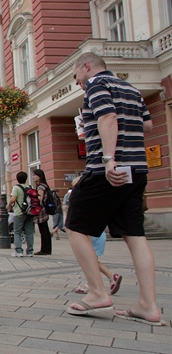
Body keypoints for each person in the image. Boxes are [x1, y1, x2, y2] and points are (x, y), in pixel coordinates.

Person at [66, 52, 164, 326]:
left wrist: (109, 158)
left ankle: (97, 292)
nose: (77, 83)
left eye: (76, 76)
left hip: (105, 170)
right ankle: (148, 306)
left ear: (86, 66)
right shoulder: (131, 88)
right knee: (135, 235)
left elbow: (107, 117)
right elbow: (147, 125)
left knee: (75, 226)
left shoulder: (97, 84)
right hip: (138, 169)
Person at [65, 177, 122, 296]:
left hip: (90, 233)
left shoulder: (82, 203)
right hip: (99, 233)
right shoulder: (96, 198)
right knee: (92, 260)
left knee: (89, 260)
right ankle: (104, 280)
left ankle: (105, 280)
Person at [8, 171, 35, 257]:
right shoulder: (29, 187)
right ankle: (30, 251)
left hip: (19, 212)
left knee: (17, 232)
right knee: (29, 232)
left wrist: (8, 205)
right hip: (30, 212)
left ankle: (18, 251)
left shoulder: (16, 188)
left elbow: (13, 199)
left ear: (17, 179)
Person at [31, 169, 53, 255]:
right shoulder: (45, 185)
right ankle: (47, 249)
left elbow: (39, 199)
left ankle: (44, 249)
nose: (33, 177)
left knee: (43, 230)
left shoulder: (40, 187)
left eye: (34, 175)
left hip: (41, 210)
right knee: (45, 230)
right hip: (45, 209)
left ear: (39, 176)